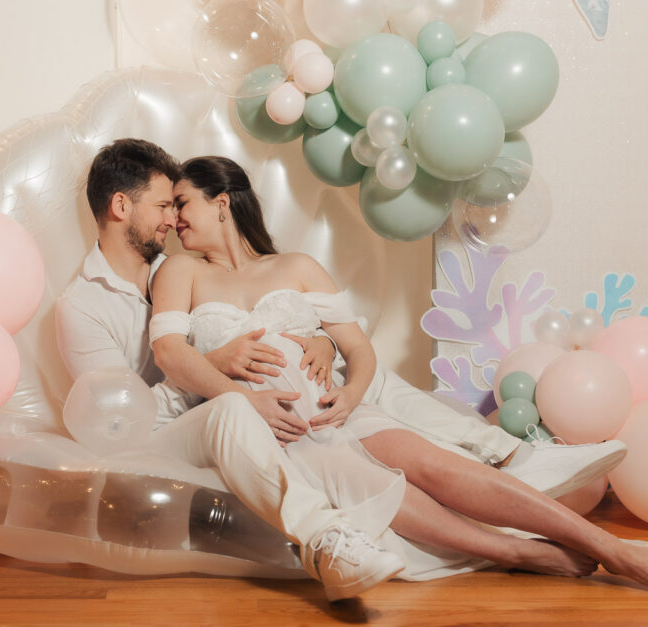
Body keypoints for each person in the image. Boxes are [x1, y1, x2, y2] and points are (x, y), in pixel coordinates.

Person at [148, 155, 648, 597]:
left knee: (435, 464)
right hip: (279, 433)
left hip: (335, 409)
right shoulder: (181, 272)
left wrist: (348, 396)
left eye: (182, 203)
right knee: (366, 478)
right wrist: (245, 402)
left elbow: (359, 353)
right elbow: (171, 353)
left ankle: (609, 546)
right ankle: (519, 552)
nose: (174, 218)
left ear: (222, 202)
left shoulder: (296, 268)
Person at [56, 139, 406, 601]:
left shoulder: (179, 267)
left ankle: (356, 534)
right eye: (163, 206)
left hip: (221, 415)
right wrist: (204, 368)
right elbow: (117, 426)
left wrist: (321, 340)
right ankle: (325, 543)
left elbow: (260, 321)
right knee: (232, 411)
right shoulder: (81, 307)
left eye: (176, 206)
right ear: (120, 205)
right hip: (153, 441)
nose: (172, 220)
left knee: (254, 413)